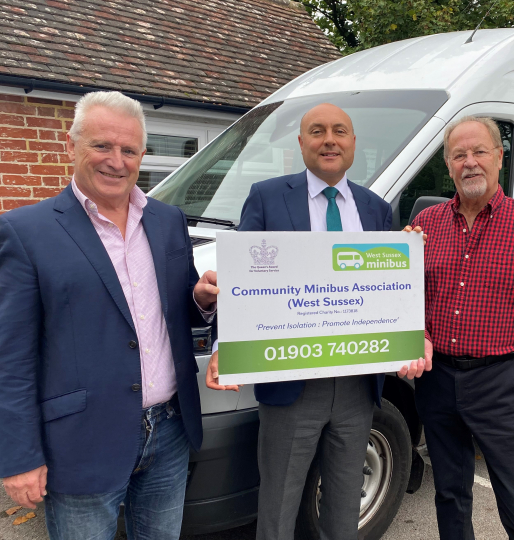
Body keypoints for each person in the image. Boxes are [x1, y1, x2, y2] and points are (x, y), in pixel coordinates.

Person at [0, 91, 219, 540]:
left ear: (142, 154)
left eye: (129, 150)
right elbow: (12, 359)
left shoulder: (167, 219)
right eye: (102, 146)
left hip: (170, 430)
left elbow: (178, 314)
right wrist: (19, 457)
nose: (116, 161)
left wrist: (202, 300)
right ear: (72, 145)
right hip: (82, 440)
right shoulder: (25, 232)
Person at [206, 103, 428, 540]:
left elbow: (386, 291)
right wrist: (223, 346)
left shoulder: (376, 209)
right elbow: (241, 280)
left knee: (345, 504)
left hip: (356, 386)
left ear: (353, 143)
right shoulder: (267, 197)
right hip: (291, 383)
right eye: (318, 131)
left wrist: (409, 327)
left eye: (339, 131)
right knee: (279, 506)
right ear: (302, 142)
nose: (330, 139)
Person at [410, 116, 514, 540]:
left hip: (501, 383)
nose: (470, 163)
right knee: (450, 494)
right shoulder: (427, 226)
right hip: (437, 379)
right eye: (459, 155)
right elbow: (414, 302)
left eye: (479, 151)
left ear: (499, 157)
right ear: (448, 166)